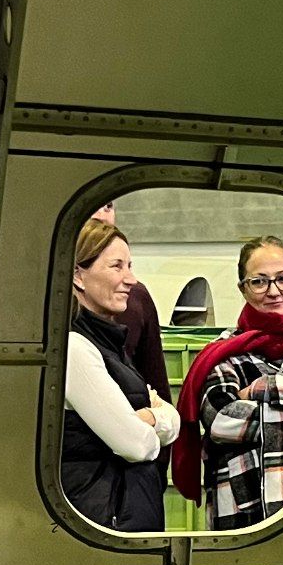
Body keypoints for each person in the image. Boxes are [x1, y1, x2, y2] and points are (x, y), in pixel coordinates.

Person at [178, 237, 283, 530]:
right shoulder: (223, 352)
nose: (274, 291)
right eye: (259, 282)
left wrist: (261, 389)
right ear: (243, 288)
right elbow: (221, 419)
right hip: (241, 512)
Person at [63, 220, 181, 532]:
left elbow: (173, 418)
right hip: (104, 521)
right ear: (77, 275)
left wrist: (152, 418)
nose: (131, 279)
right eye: (117, 266)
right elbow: (135, 445)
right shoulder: (75, 348)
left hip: (126, 514)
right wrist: (154, 421)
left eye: (130, 266)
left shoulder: (109, 344)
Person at [88, 204, 172, 400]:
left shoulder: (137, 298)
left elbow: (156, 385)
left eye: (108, 206)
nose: (102, 216)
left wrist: (157, 414)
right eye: (116, 266)